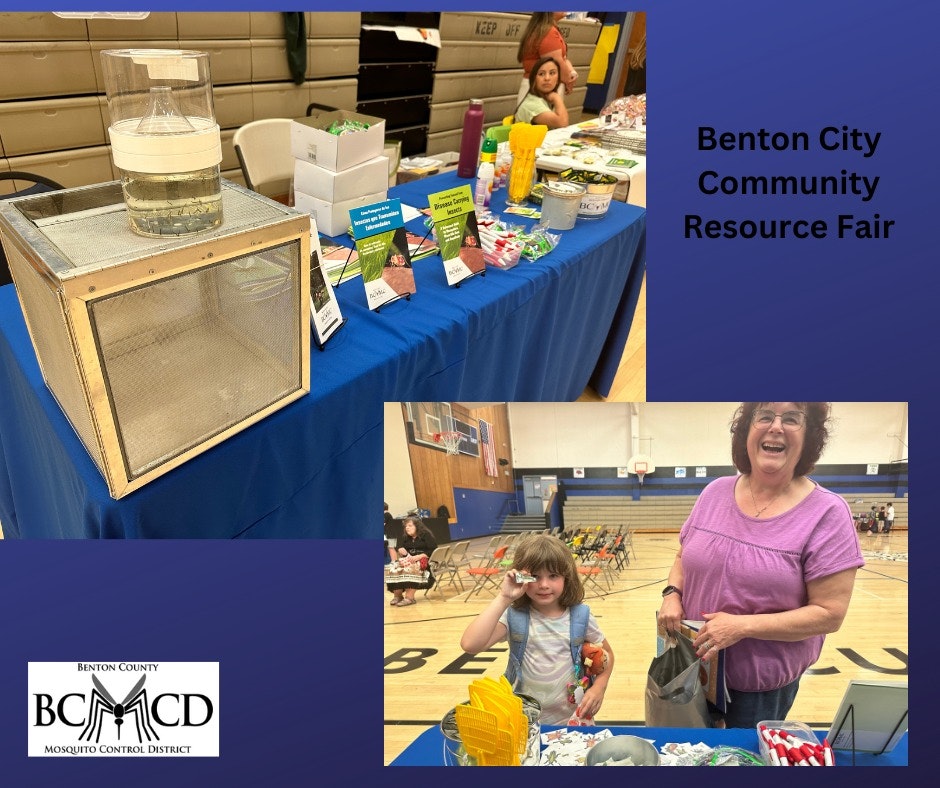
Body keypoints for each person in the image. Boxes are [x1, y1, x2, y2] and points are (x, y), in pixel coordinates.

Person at [657, 402, 864, 728]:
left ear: (808, 436)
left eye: (792, 419)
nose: (776, 426)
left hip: (760, 687)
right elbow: (684, 555)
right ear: (746, 432)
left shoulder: (827, 513)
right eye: (764, 416)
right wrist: (672, 593)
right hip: (694, 666)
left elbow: (829, 613)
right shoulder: (714, 492)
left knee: (744, 765)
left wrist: (742, 627)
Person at [460, 534, 615, 724]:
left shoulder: (580, 616)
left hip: (574, 717)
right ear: (521, 577)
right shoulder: (514, 616)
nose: (543, 585)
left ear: (566, 577)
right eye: (534, 576)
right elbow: (470, 644)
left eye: (553, 576)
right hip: (524, 719)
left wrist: (599, 687)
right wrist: (504, 597)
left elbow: (607, 653)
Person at [516, 12, 577, 106]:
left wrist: (571, 73)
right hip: (539, 92)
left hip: (543, 90)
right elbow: (558, 64)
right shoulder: (548, 32)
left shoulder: (548, 29)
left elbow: (563, 59)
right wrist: (569, 79)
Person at [387, 516, 437, 606]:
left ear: (417, 526)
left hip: (426, 562)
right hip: (410, 560)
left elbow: (433, 551)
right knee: (394, 568)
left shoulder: (426, 535)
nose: (407, 528)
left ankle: (410, 598)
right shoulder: (406, 538)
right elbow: (404, 553)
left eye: (410, 525)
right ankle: (398, 596)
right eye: (406, 526)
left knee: (410, 568)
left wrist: (419, 556)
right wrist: (403, 553)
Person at [513, 56, 569, 129]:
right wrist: (556, 97)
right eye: (541, 74)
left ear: (558, 79)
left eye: (552, 73)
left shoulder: (545, 98)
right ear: (534, 79)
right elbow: (563, 123)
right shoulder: (532, 104)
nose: (547, 78)